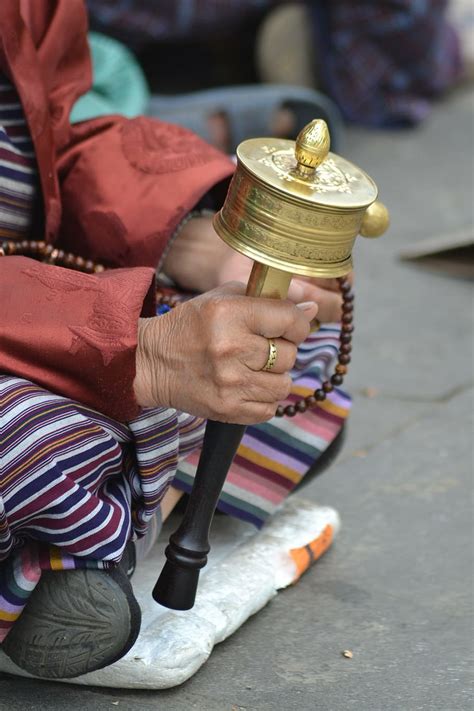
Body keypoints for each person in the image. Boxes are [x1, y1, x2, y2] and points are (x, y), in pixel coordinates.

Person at [0, 0, 350, 680]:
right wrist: (145, 353)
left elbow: (60, 139)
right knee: (26, 436)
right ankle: (53, 566)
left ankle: (97, 526)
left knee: (279, 345)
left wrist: (189, 237)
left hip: (33, 287)